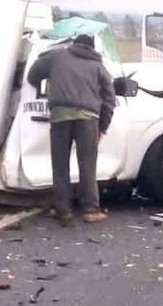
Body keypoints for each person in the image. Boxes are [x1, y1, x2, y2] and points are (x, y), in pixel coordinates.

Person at [27, 34, 116, 225]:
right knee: (87, 165)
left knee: (60, 164)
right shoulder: (99, 67)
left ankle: (63, 210)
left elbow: (33, 73)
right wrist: (103, 127)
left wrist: (45, 82)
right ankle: (91, 210)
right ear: (93, 49)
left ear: (75, 44)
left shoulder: (57, 56)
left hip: (60, 116)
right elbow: (109, 100)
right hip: (88, 119)